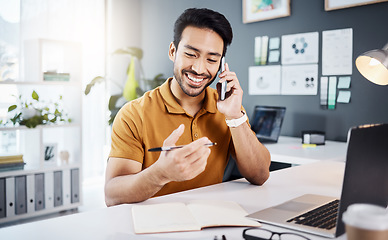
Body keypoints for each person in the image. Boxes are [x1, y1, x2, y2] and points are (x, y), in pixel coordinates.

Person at [104, 8, 271, 206]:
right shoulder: (133, 114)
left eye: (211, 59)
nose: (199, 69)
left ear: (221, 64)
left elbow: (260, 175)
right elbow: (112, 195)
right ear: (173, 51)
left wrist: (236, 116)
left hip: (210, 221)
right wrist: (160, 173)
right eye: (191, 54)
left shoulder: (228, 110)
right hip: (152, 226)